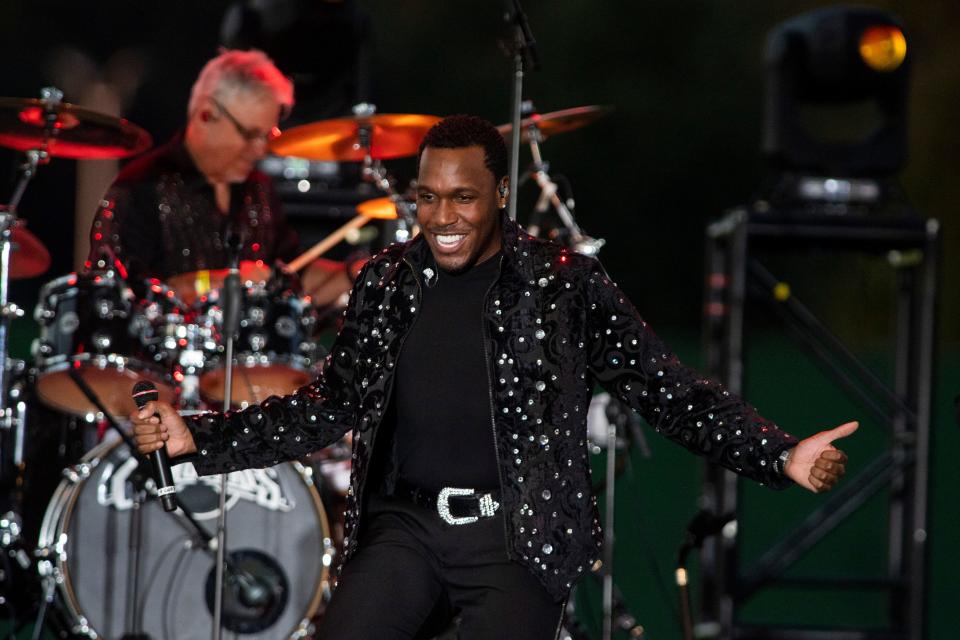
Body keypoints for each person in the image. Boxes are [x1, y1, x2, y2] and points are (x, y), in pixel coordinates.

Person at [132, 115, 856, 639]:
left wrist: (778, 452)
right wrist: (196, 438)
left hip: (517, 537)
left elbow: (667, 389)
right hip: (404, 529)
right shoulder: (387, 281)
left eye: (462, 198)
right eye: (427, 197)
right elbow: (327, 407)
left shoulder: (565, 283)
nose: (442, 216)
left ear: (499, 195)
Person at [86, 48, 355, 304]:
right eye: (250, 134)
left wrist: (357, 274)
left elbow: (295, 277)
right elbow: (116, 299)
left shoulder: (258, 189)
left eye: (267, 136)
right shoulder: (140, 190)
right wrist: (219, 282)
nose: (260, 149)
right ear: (206, 114)